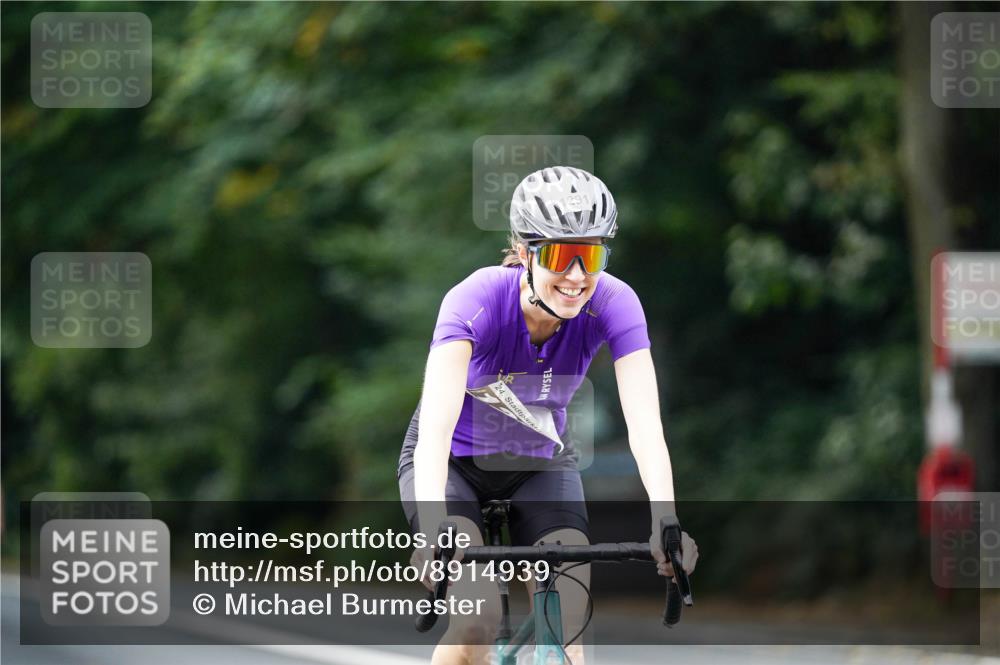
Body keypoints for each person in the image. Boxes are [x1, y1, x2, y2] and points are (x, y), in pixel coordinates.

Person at [398, 166, 698, 665]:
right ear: (523, 252)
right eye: (561, 255)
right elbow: (434, 433)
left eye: (592, 255)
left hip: (540, 465)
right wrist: (433, 531)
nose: (578, 276)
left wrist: (665, 519)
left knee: (569, 621)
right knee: (477, 617)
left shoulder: (616, 303)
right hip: (453, 465)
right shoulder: (475, 301)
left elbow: (646, 426)